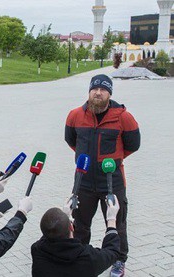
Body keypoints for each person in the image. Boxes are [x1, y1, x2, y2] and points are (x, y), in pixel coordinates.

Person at [65, 74, 140, 277]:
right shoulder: (74, 115)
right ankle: (79, 259)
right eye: (94, 89)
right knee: (79, 225)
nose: (98, 92)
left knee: (117, 224)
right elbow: (71, 140)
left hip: (112, 182)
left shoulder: (123, 117)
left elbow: (134, 145)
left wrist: (114, 159)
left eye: (103, 89)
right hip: (83, 181)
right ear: (89, 91)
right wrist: (86, 158)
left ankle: (118, 261)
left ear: (109, 93)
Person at [31, 196, 121, 277]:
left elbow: (49, 234)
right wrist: (111, 219)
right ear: (71, 227)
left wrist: (66, 217)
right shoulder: (88, 258)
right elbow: (112, 251)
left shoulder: (37, 250)